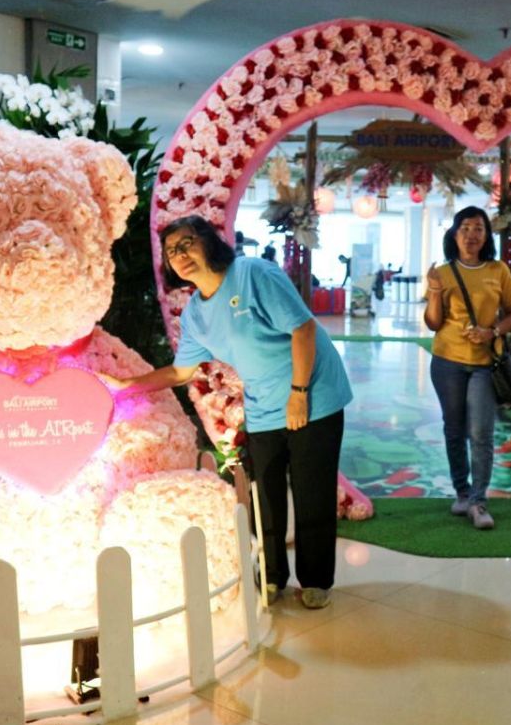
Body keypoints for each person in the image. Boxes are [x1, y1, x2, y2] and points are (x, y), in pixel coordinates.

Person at [103, 215, 352, 609]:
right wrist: (126, 386)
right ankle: (270, 575)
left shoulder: (253, 274)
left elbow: (302, 329)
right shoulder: (196, 315)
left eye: (187, 243)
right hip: (264, 404)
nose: (180, 255)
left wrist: (299, 394)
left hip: (313, 392)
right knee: (263, 493)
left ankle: (316, 579)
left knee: (311, 490)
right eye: (171, 252)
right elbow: (181, 371)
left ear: (209, 242)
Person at [424, 206, 511, 531]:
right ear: (455, 234)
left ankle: (479, 501)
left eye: (478, 228)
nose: (471, 234)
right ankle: (462, 493)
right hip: (447, 361)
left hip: (483, 364)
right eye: (465, 228)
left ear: (486, 235)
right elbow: (433, 323)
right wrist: (435, 292)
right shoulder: (443, 272)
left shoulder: (498, 270)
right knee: (453, 429)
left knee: (481, 433)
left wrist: (491, 331)